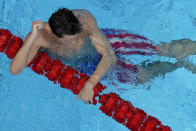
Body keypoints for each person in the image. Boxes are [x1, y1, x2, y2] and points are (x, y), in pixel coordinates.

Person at [9, 8, 196, 104]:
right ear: (55, 36)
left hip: (106, 42)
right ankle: (181, 66)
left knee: (159, 49)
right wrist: (31, 37)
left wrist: (90, 85)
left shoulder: (83, 19)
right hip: (85, 65)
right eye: (70, 41)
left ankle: (187, 50)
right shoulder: (41, 37)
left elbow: (108, 55)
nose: (76, 43)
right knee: (142, 77)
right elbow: (15, 70)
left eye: (77, 37)